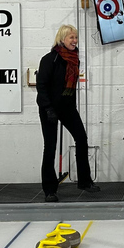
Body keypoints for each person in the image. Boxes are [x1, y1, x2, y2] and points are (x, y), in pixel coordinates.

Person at [36, 24, 100, 202]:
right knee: (50, 147)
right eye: (71, 37)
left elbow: (70, 87)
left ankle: (85, 181)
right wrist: (48, 108)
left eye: (76, 38)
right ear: (62, 39)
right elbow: (42, 86)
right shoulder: (50, 59)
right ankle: (50, 190)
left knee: (81, 138)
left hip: (66, 106)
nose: (75, 41)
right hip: (49, 107)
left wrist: (71, 106)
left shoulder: (75, 59)